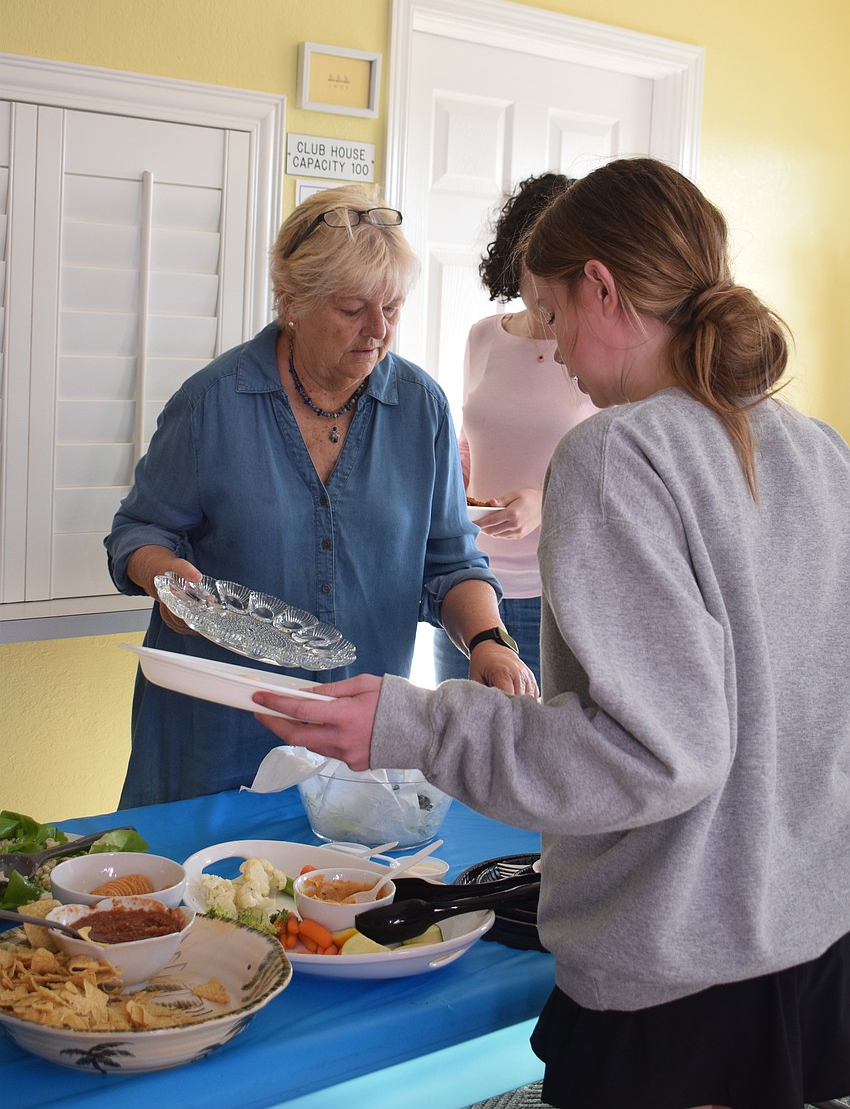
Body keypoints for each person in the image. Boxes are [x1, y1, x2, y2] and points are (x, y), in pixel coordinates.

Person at [253, 158, 850, 1109]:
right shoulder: (819, 449)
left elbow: (655, 755)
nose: (557, 350)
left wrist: (413, 724)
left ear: (601, 286)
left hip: (675, 982)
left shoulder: (618, 454)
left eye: (556, 314)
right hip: (813, 954)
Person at [105, 184, 537, 809]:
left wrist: (489, 641)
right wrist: (169, 579)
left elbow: (451, 562)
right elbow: (137, 532)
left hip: (352, 737)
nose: (379, 330)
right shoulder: (211, 404)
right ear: (292, 301)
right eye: (353, 308)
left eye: (392, 307)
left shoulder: (422, 410)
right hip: (218, 730)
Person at [433, 173, 596, 685]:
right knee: (455, 753)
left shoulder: (596, 350)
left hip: (556, 593)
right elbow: (471, 438)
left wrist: (546, 501)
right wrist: (454, 481)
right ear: (517, 258)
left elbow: (617, 470)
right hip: (470, 586)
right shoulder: (483, 336)